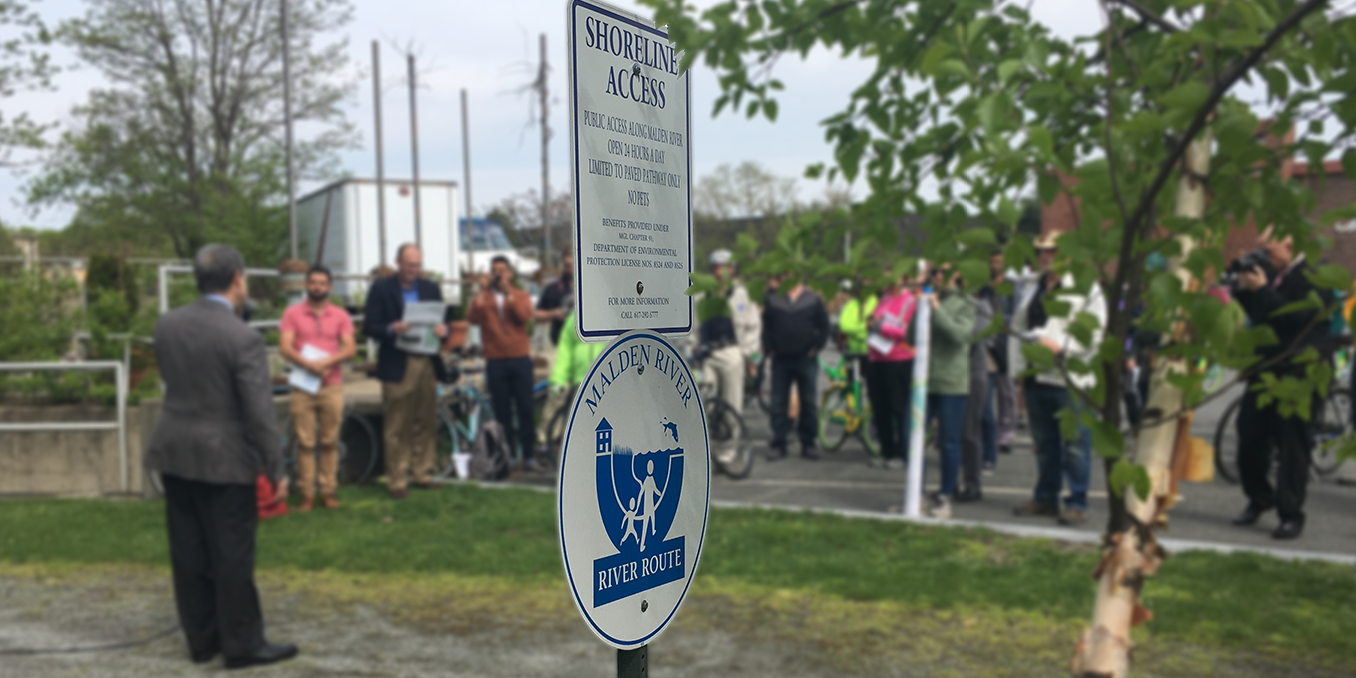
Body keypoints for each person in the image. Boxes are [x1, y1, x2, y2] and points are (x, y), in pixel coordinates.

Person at [144, 244, 297, 669]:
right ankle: (243, 643)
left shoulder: (166, 324)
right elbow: (260, 412)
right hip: (225, 457)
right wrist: (275, 466)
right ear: (237, 280)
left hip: (175, 449)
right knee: (231, 553)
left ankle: (202, 639)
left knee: (188, 550)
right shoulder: (241, 336)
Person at [1231, 227, 1334, 539]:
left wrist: (1262, 291)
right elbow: (1259, 315)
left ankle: (1290, 513)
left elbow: (1295, 321)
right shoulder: (1269, 276)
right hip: (1266, 370)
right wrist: (1244, 287)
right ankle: (1258, 497)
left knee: (1292, 445)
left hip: (1300, 373)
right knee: (1249, 435)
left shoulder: (1316, 276)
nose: (1264, 255)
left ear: (1291, 244)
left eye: (1269, 249)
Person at [1009, 232, 1106, 526]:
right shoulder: (1033, 286)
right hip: (1036, 373)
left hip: (1069, 376)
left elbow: (1096, 332)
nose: (1044, 257)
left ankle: (1077, 501)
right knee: (1045, 443)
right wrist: (1018, 369)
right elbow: (1021, 324)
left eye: (1051, 251)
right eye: (1040, 252)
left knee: (1075, 444)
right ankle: (1046, 497)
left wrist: (1063, 347)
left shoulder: (1085, 288)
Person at [363, 244, 450, 500]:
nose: (414, 270)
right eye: (409, 264)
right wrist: (392, 328)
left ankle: (423, 472)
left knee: (426, 419)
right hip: (398, 360)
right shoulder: (381, 288)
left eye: (417, 265)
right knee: (397, 423)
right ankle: (397, 479)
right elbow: (370, 326)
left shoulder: (430, 288)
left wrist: (442, 330)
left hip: (427, 360)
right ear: (398, 262)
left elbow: (443, 319)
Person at [278, 265, 356, 512]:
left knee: (330, 440)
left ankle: (328, 491)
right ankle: (306, 494)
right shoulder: (292, 313)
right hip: (302, 385)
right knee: (305, 442)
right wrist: (309, 365)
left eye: (322, 283)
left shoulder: (340, 315)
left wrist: (325, 363)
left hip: (331, 385)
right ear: (306, 285)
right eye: (313, 282)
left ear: (330, 287)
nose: (317, 286)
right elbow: (285, 347)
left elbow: (350, 349)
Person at [690, 249, 762, 467]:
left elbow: (754, 326)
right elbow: (693, 326)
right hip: (707, 354)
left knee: (732, 403)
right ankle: (707, 451)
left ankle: (728, 451)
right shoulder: (701, 295)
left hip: (731, 351)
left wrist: (745, 352)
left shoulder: (743, 295)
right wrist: (691, 349)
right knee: (707, 405)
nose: (721, 272)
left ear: (733, 270)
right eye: (717, 267)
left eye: (726, 267)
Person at [469, 255, 538, 470]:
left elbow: (524, 316)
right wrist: (480, 293)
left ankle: (529, 455)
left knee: (526, 407)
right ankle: (506, 455)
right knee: (502, 411)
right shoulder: (484, 298)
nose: (498, 274)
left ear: (509, 273)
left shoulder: (520, 295)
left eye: (502, 270)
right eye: (494, 270)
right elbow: (472, 318)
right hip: (496, 360)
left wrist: (509, 293)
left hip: (519, 357)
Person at [922, 266, 977, 519]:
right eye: (933, 271)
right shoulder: (929, 297)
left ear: (956, 273)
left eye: (942, 271)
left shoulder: (966, 303)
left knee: (949, 441)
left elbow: (958, 335)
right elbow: (912, 336)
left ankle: (945, 495)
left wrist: (936, 308)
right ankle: (917, 493)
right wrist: (919, 306)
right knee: (915, 439)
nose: (937, 276)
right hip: (924, 381)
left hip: (951, 382)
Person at [762, 275, 830, 461]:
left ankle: (808, 443)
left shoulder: (813, 300)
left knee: (808, 403)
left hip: (805, 359)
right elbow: (766, 327)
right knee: (778, 404)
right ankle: (779, 443)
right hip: (781, 359)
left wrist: (815, 348)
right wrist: (770, 348)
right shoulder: (774, 299)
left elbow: (824, 327)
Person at [863, 273, 915, 470]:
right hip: (876, 357)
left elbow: (905, 330)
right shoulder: (884, 298)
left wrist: (881, 326)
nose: (888, 284)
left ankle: (902, 452)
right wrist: (871, 323)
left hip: (898, 359)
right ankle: (887, 450)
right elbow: (873, 320)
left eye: (892, 279)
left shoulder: (909, 301)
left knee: (898, 407)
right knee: (880, 408)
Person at [958, 276, 995, 503]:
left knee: (969, 431)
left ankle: (973, 483)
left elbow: (971, 336)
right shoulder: (946, 304)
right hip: (949, 374)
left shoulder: (980, 306)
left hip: (972, 373)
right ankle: (949, 484)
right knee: (947, 435)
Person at [989, 251, 1018, 453]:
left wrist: (1000, 322)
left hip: (1005, 341)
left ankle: (1006, 434)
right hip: (986, 341)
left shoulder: (1012, 286)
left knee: (1006, 391)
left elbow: (1016, 312)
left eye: (999, 261)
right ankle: (989, 434)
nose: (995, 265)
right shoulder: (984, 287)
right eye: (993, 261)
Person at [535, 253, 574, 347]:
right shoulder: (552, 287)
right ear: (562, 265)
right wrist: (554, 313)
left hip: (586, 345)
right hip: (560, 342)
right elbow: (536, 314)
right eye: (567, 265)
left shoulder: (590, 286)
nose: (570, 268)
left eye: (573, 264)